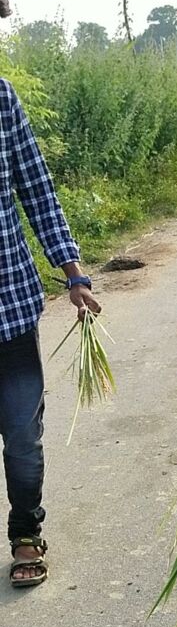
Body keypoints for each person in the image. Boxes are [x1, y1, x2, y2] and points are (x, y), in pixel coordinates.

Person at [0, 75, 101, 586]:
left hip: (9, 310)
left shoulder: (1, 97)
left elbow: (37, 191)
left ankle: (26, 533)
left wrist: (74, 273)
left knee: (22, 436)